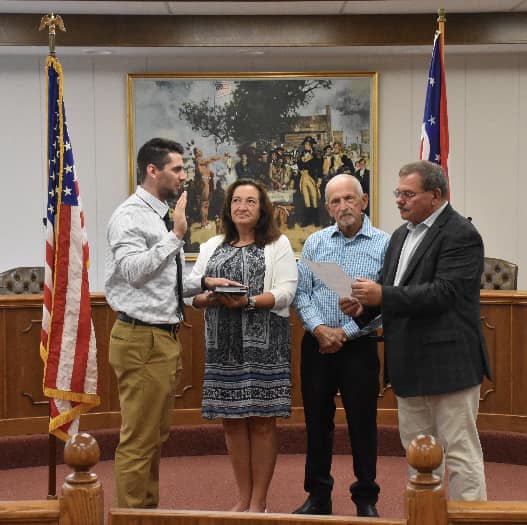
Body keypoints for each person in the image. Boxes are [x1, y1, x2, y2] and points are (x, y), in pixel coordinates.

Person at [340, 160, 491, 501]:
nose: (399, 200)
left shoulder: (461, 234)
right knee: (418, 453)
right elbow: (394, 290)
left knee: (459, 454)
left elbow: (444, 293)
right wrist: (366, 307)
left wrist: (383, 294)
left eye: (408, 194)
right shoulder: (400, 236)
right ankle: (426, 517)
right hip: (409, 364)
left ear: (435, 195)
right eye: (398, 193)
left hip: (450, 366)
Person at [105, 137, 236, 508]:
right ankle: (132, 516)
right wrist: (176, 235)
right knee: (139, 440)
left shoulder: (158, 213)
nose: (183, 176)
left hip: (160, 338)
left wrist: (205, 283)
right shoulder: (131, 215)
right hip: (141, 338)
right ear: (153, 170)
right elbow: (132, 272)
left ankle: (145, 512)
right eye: (177, 169)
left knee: (154, 435)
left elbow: (164, 281)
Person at [187, 178, 298, 513]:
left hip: (265, 348)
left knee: (263, 421)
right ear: (228, 206)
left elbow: (285, 293)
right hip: (222, 347)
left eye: (250, 201)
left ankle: (259, 502)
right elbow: (192, 290)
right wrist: (209, 298)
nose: (242, 207)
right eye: (237, 200)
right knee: (231, 421)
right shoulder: (212, 245)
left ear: (262, 207)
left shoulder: (277, 245)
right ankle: (243, 497)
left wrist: (247, 301)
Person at [293, 174, 389, 518]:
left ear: (363, 202)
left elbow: (386, 302)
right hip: (317, 345)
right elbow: (302, 293)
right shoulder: (316, 243)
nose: (343, 206)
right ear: (327, 207)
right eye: (335, 201)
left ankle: (366, 498)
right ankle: (318, 495)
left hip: (358, 346)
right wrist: (319, 329)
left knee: (363, 423)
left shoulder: (385, 244)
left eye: (349, 198)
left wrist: (345, 332)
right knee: (317, 422)